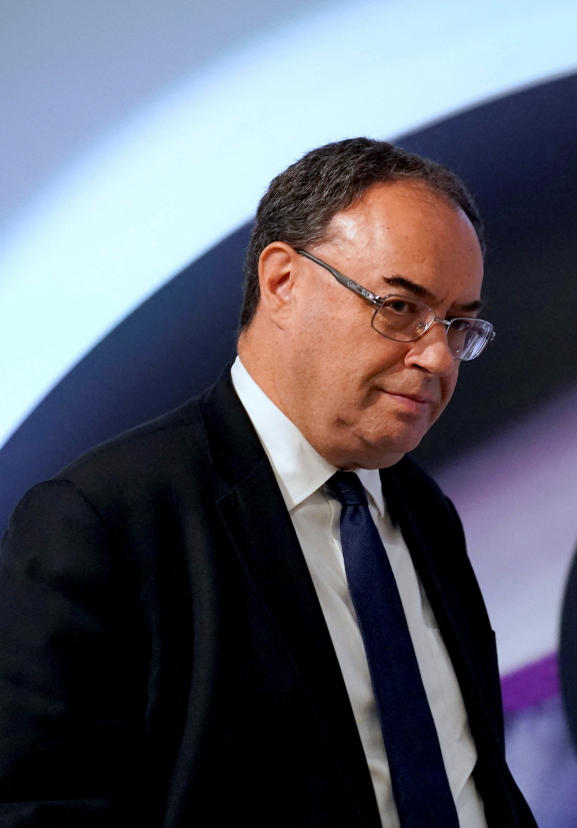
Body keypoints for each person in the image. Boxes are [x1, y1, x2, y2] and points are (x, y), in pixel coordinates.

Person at [0, 138, 536, 827]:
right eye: (400, 307)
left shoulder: (424, 510)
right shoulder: (104, 524)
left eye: (458, 324)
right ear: (283, 281)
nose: (436, 356)